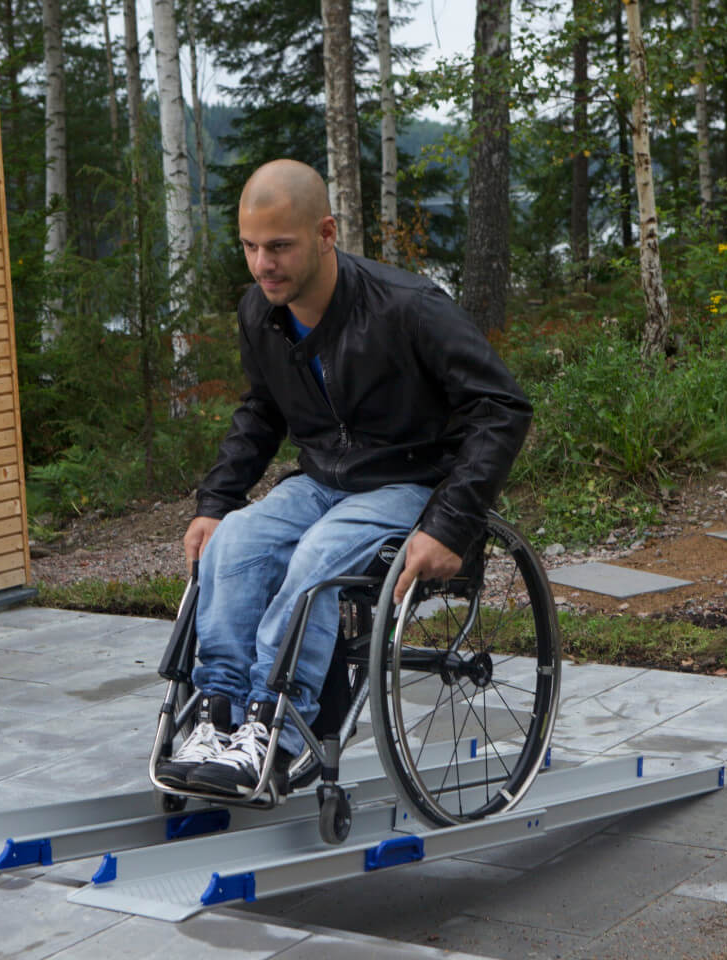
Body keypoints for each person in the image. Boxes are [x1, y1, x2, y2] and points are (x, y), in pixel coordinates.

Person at [155, 159, 532, 798]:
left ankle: (280, 723)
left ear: (326, 233)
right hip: (322, 480)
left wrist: (450, 523)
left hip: (410, 482)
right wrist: (216, 501)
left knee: (320, 556)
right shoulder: (261, 314)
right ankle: (218, 715)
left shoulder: (408, 308)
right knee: (235, 543)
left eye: (279, 247)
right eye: (249, 247)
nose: (262, 264)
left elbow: (503, 408)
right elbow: (262, 410)